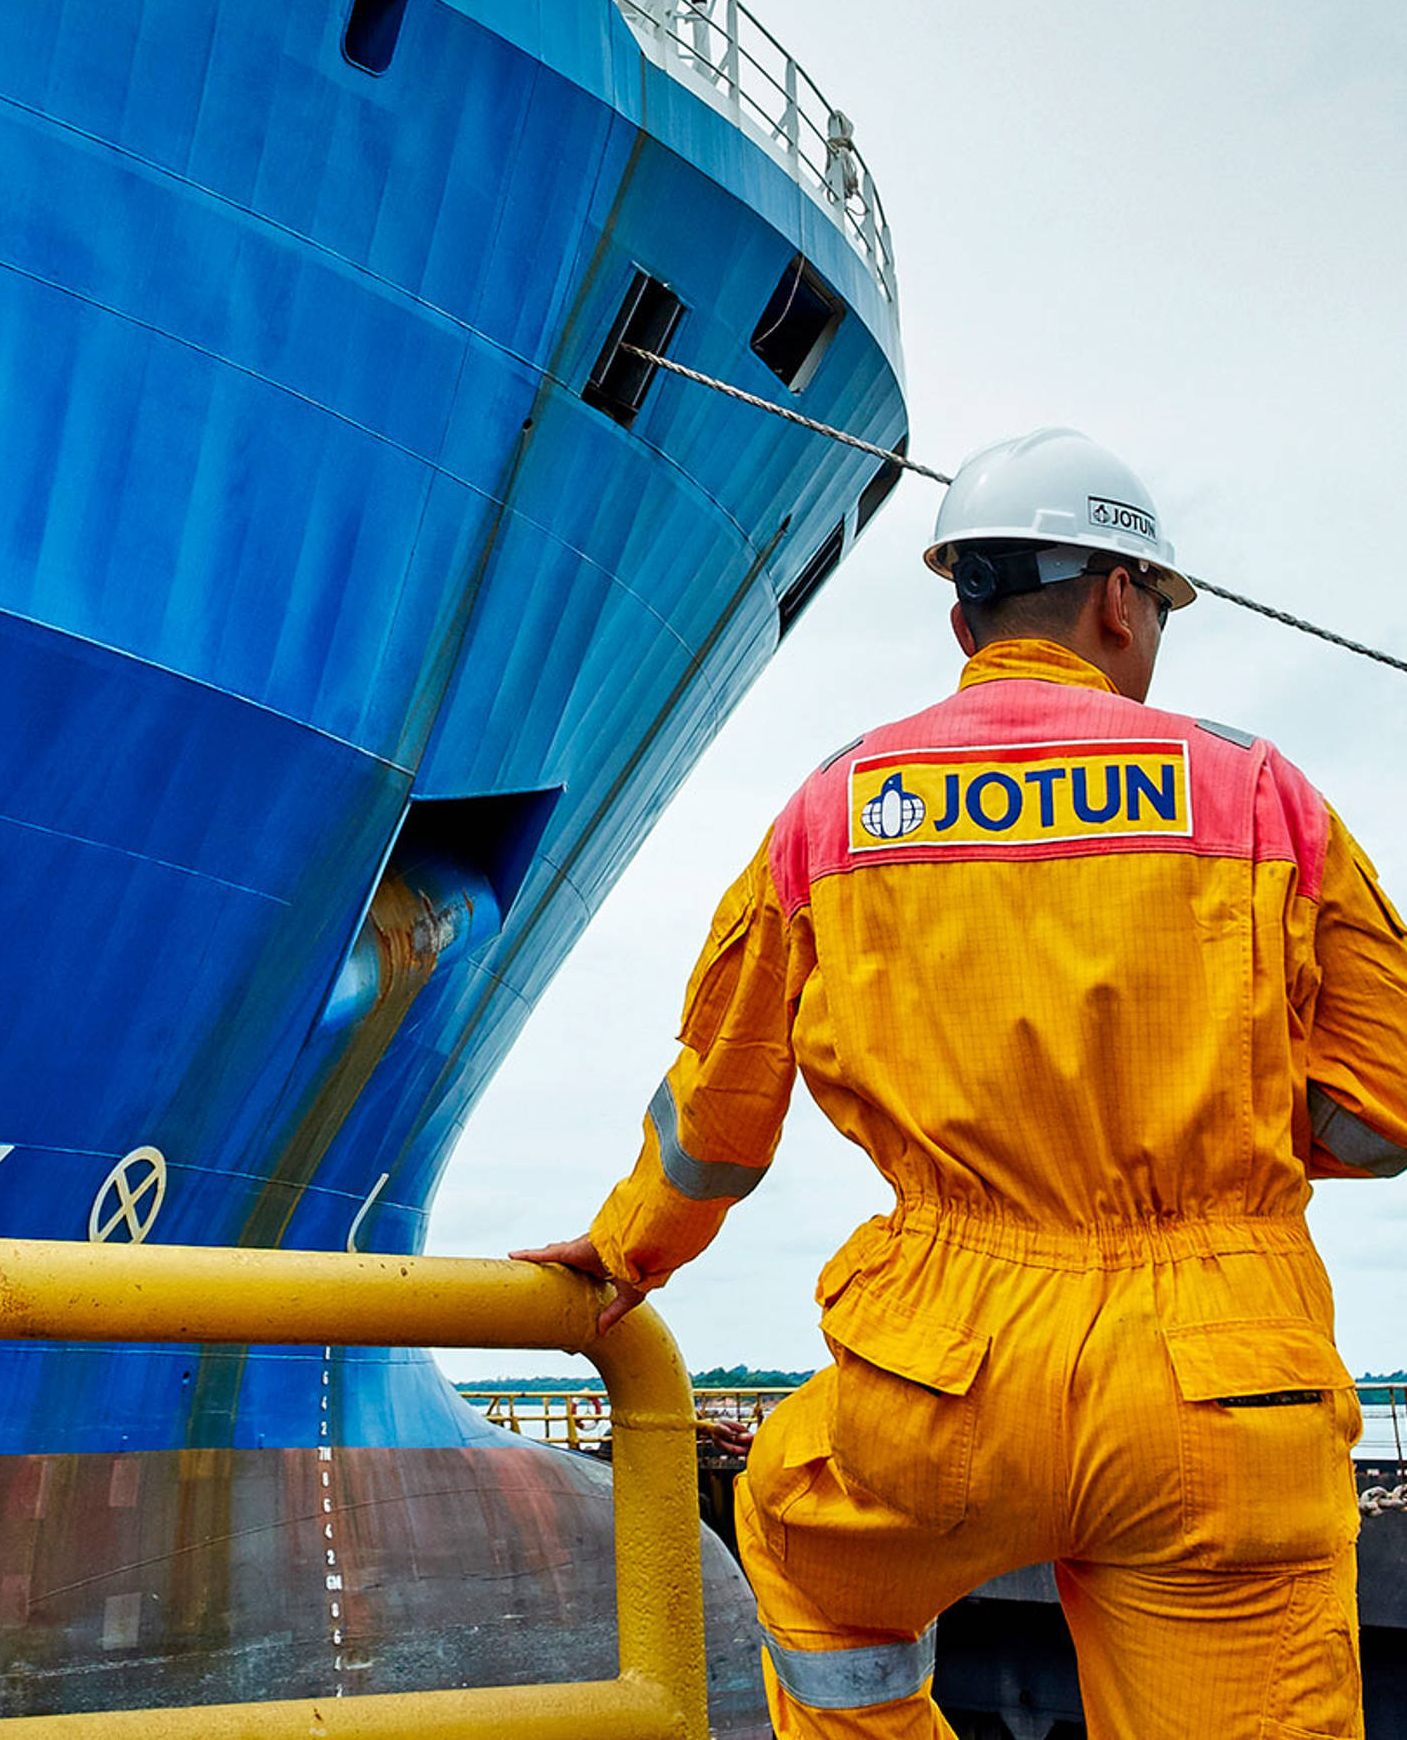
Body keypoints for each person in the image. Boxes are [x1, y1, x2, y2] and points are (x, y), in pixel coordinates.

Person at [514, 427, 1407, 1739]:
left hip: (939, 1377)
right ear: (1117, 596)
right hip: (1219, 1380)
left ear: (957, 613)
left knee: (812, 1578)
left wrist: (622, 1257)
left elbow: (718, 1106)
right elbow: (1378, 1118)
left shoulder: (831, 811)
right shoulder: (1263, 796)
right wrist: (1221, 1149)